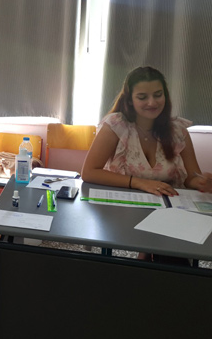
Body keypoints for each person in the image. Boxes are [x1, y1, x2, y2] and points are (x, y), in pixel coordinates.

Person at [82, 67, 212, 263]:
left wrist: (202, 182)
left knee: (174, 261)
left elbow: (192, 177)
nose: (152, 102)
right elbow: (89, 172)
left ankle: (149, 256)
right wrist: (139, 182)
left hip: (168, 211)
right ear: (130, 100)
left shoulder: (178, 130)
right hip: (126, 209)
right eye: (142, 97)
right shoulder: (116, 124)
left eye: (158, 95)